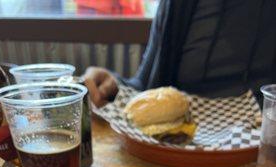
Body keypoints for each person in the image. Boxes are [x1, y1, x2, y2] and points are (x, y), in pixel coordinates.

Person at [84, 0, 276, 108]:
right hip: (177, 153)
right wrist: (112, 85)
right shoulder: (176, 6)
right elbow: (145, 86)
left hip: (261, 158)